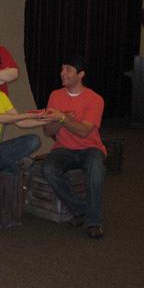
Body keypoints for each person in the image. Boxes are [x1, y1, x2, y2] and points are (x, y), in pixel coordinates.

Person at [42, 56, 106, 239]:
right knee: (48, 168)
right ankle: (81, 210)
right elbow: (47, 131)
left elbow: (84, 131)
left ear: (81, 74)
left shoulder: (95, 99)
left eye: (68, 69)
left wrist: (63, 118)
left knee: (95, 168)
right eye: (62, 69)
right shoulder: (55, 95)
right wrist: (57, 120)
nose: (63, 73)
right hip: (63, 148)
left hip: (90, 148)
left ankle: (94, 222)